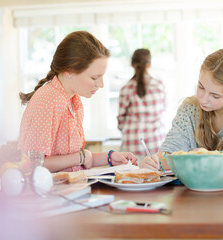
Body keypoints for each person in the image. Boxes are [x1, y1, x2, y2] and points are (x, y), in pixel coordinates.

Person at [18, 31, 138, 173]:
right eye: (94, 77)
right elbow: (33, 164)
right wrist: (81, 156)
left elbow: (78, 160)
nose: (101, 84)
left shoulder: (73, 99)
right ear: (69, 71)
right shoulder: (49, 100)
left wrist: (110, 157)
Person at [140, 48, 223, 171]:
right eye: (201, 87)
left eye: (215, 95)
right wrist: (156, 161)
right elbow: (170, 152)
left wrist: (214, 158)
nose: (203, 99)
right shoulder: (189, 109)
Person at [117, 48, 166, 160]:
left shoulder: (126, 88)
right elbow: (163, 109)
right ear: (149, 65)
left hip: (131, 144)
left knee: (131, 176)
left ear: (133, 65)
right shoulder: (159, 85)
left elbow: (121, 119)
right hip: (156, 142)